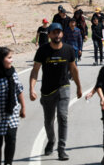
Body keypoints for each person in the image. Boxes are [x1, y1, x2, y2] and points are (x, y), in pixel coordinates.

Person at [29, 23, 82, 161]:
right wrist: (31, 88)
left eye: (59, 32)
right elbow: (35, 70)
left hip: (64, 87)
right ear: (49, 35)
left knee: (63, 116)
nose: (57, 35)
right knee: (48, 121)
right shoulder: (43, 50)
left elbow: (74, 69)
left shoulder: (69, 50)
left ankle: (62, 149)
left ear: (62, 34)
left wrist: (79, 86)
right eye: (54, 32)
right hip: (47, 91)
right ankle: (51, 140)